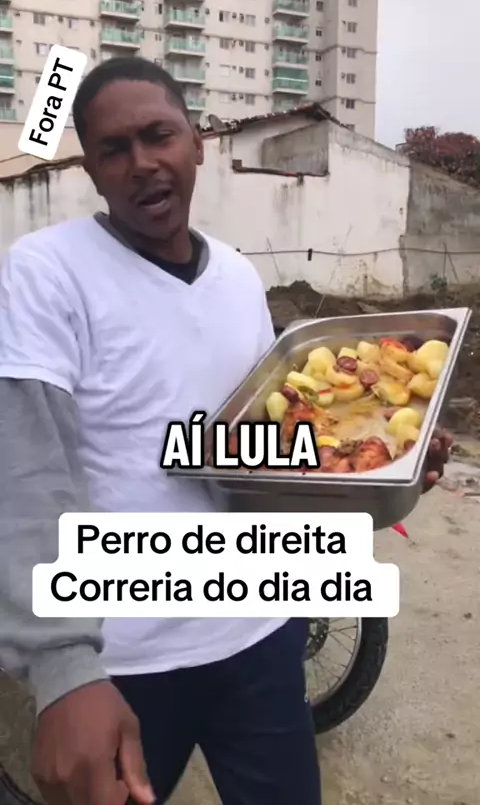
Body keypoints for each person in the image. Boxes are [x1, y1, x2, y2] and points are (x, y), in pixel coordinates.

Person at [0, 57, 451, 805]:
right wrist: (63, 668)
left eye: (159, 135)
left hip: (261, 633)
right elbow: (24, 471)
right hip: (128, 659)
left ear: (198, 142)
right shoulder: (47, 273)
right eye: (113, 149)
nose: (142, 162)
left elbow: (268, 453)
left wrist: (384, 472)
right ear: (91, 169)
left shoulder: (238, 278)